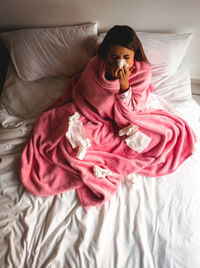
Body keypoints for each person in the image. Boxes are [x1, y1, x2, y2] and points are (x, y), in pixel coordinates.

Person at [20, 25, 197, 208]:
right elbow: (90, 97)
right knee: (68, 141)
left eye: (126, 57)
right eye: (114, 56)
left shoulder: (143, 72)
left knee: (162, 136)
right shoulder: (95, 65)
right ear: (106, 54)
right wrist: (110, 82)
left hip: (125, 117)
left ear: (134, 56)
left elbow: (132, 109)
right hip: (94, 114)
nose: (120, 62)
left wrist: (124, 85)